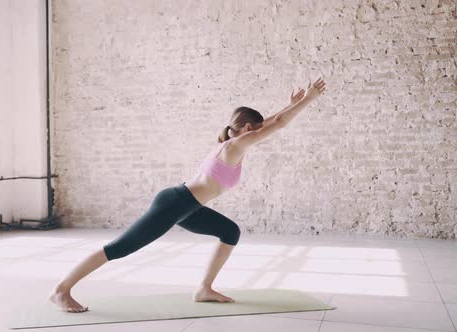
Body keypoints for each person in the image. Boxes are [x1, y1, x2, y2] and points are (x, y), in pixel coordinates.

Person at [49, 78, 327, 313]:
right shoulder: (236, 145)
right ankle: (61, 290)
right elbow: (278, 124)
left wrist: (291, 105)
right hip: (176, 204)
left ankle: (204, 288)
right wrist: (308, 100)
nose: (259, 134)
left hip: (187, 205)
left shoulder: (233, 140)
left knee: (230, 232)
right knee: (120, 248)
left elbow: (269, 123)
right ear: (246, 130)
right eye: (255, 131)